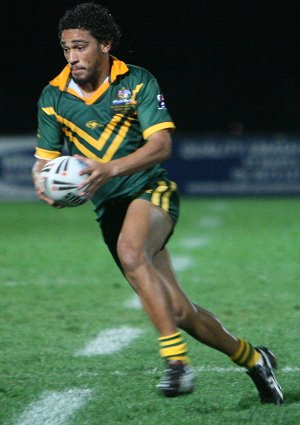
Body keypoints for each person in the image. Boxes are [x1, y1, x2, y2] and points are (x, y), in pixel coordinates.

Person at [32, 2, 283, 404]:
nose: (72, 57)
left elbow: (161, 145)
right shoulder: (53, 96)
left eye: (80, 46)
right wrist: (44, 184)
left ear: (105, 45)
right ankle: (254, 358)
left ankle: (176, 364)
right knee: (180, 311)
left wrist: (108, 169)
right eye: (66, 49)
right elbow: (43, 160)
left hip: (152, 191)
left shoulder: (136, 82)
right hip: (109, 209)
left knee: (132, 252)